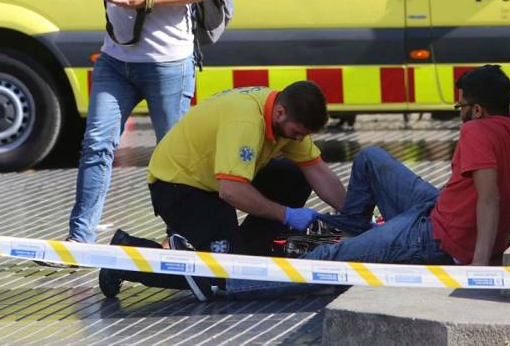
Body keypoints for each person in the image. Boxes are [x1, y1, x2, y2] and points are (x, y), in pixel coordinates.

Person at [197, 64, 510, 301]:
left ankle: (230, 284)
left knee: (330, 258)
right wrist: (508, 240)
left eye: (461, 106)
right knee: (370, 158)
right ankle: (355, 226)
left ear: (476, 110)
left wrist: (478, 266)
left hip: (438, 237)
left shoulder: (476, 131)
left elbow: (491, 199)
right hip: (437, 210)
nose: (458, 112)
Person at [64, 0, 215, 247]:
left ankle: (179, 240)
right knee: (95, 144)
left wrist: (147, 0)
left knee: (172, 157)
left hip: (166, 62)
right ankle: (79, 243)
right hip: (116, 59)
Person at [98, 81, 347, 299]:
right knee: (226, 275)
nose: (298, 140)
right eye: (297, 133)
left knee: (294, 178)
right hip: (178, 187)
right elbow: (232, 191)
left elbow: (318, 171)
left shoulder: (282, 113)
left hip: (212, 181)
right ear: (280, 112)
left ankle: (243, 251)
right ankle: (126, 256)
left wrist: (353, 216)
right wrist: (285, 214)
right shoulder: (246, 120)